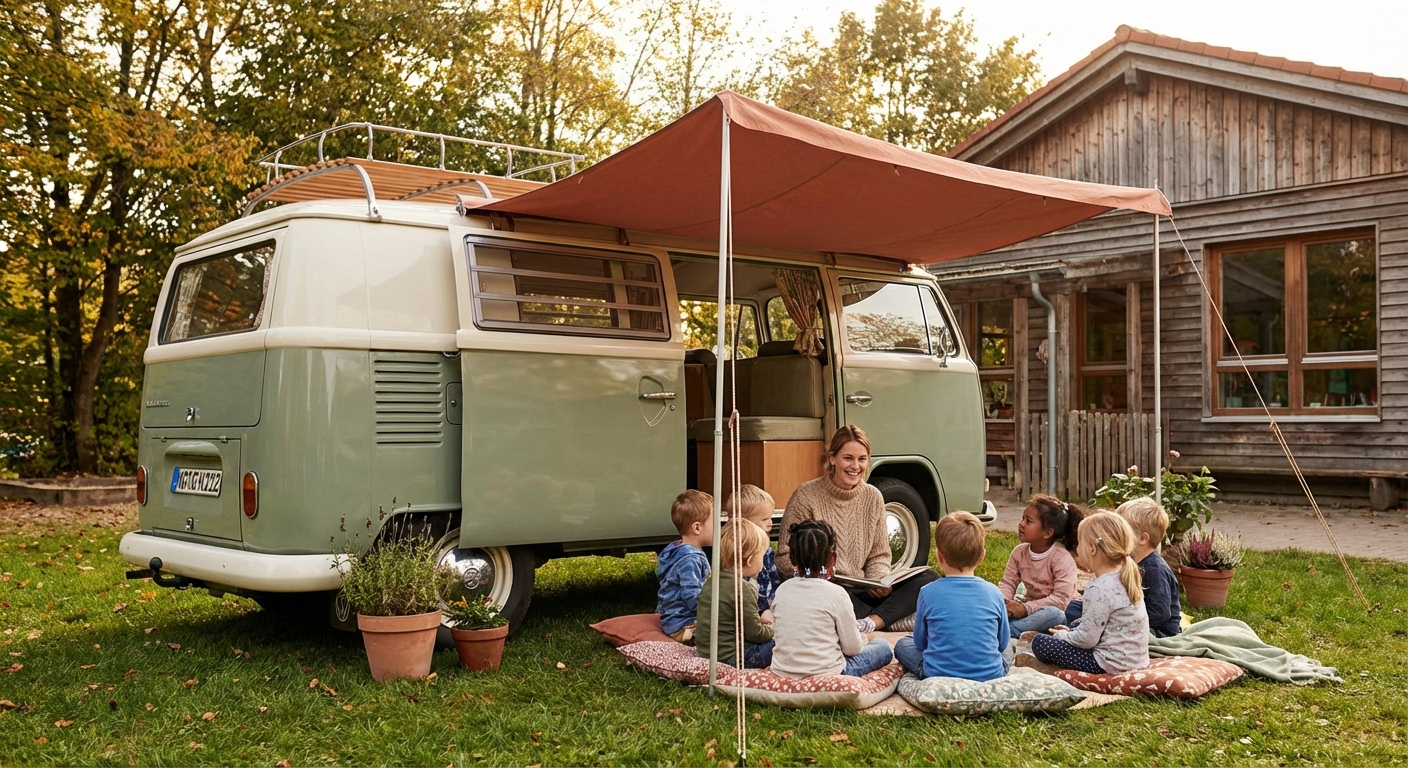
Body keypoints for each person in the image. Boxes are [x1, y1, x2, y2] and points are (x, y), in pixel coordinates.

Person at [776, 425, 938, 631]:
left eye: (862, 459)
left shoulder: (873, 496)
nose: (855, 466)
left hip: (862, 587)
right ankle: (886, 620)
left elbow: (879, 554)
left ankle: (873, 621)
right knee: (833, 595)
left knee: (929, 579)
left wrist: (876, 581)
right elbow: (783, 557)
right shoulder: (806, 496)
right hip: (826, 585)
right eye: (848, 458)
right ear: (832, 458)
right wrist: (820, 574)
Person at [894, 511, 1012, 681]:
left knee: (902, 644)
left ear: (939, 556)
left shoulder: (927, 592)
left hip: (937, 673)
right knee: (1009, 646)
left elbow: (920, 643)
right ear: (981, 557)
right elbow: (1001, 643)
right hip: (990, 674)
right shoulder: (994, 592)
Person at [1029, 512, 1150, 674]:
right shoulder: (1125, 576)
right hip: (1136, 660)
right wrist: (1071, 631)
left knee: (1040, 643)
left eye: (1079, 543)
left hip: (1109, 664)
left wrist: (1063, 636)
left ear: (1092, 549)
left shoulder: (1098, 588)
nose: (1077, 548)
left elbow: (1087, 640)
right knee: (1074, 624)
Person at [770, 520, 895, 678]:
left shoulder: (782, 590)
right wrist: (861, 637)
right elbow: (853, 649)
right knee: (882, 647)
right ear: (833, 558)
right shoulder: (837, 594)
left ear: (793, 560)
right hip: (829, 672)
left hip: (782, 670)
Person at [1063, 497, 1182, 637]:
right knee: (1072, 608)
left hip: (1157, 632)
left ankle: (1076, 632)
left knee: (1086, 621)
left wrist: (1120, 621)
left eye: (1122, 530)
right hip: (1123, 618)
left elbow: (1160, 613)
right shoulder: (1128, 562)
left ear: (1143, 538)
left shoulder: (1155, 570)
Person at [998, 494, 1082, 638]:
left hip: (1054, 613)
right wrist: (1004, 604)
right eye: (1022, 518)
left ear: (1048, 533)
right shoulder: (1019, 552)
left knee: (1054, 614)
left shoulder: (1061, 558)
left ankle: (1007, 632)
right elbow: (1008, 582)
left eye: (1028, 521)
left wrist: (1025, 609)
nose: (1021, 524)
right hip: (1029, 607)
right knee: (993, 600)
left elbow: (1060, 600)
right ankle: (1007, 626)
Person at [695, 519, 775, 668]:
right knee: (781, 643)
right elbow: (755, 634)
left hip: (707, 653)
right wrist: (771, 630)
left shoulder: (711, 583)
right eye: (761, 557)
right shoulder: (742, 588)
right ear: (750, 560)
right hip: (732, 657)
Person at [656, 489, 712, 642]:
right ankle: (688, 638)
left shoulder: (674, 550)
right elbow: (692, 596)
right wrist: (712, 614)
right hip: (682, 622)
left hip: (670, 618)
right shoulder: (690, 559)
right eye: (714, 522)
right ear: (697, 528)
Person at [725, 484, 779, 619]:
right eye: (765, 519)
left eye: (770, 517)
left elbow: (773, 576)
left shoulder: (765, 546)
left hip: (769, 605)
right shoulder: (736, 547)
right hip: (751, 612)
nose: (770, 523)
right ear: (744, 522)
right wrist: (764, 610)